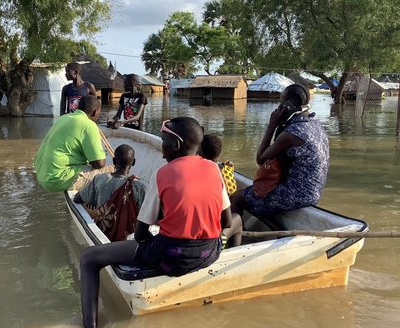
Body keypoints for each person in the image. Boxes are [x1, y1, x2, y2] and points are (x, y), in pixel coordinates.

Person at [79, 117, 232, 327]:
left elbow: (140, 233)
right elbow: (227, 221)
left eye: (164, 142)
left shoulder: (162, 173)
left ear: (176, 145)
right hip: (209, 251)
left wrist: (158, 244)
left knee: (89, 258)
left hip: (171, 256)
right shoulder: (214, 169)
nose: (161, 149)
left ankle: (90, 325)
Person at [231, 84, 329, 221]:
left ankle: (233, 236)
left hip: (297, 194)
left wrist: (272, 125)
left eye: (281, 104)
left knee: (238, 198)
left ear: (287, 106)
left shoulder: (293, 133)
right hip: (313, 193)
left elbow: (260, 159)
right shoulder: (315, 124)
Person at [35, 95, 112, 192]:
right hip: (57, 179)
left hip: (42, 175)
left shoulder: (63, 118)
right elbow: (99, 163)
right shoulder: (89, 125)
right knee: (112, 171)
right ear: (95, 112)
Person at [200, 134, 243, 248]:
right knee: (237, 219)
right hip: (210, 241)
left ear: (199, 152)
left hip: (191, 234)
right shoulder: (222, 173)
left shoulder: (193, 173)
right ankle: (232, 252)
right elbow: (227, 222)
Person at [73, 144, 146, 209]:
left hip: (105, 223)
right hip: (129, 224)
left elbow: (77, 199)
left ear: (114, 161)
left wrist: (92, 198)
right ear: (133, 162)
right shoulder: (139, 186)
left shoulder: (99, 179)